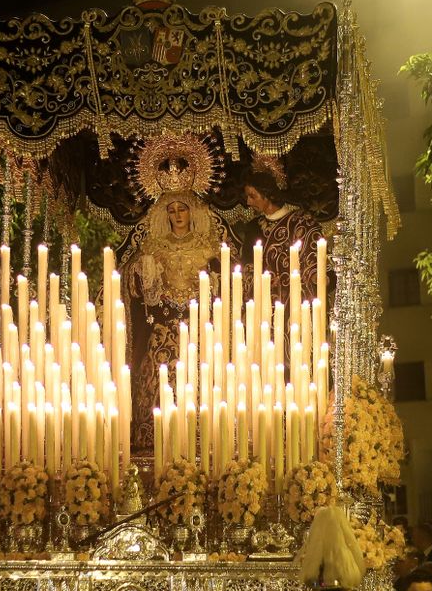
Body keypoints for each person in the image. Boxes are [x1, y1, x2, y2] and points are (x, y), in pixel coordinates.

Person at [122, 152, 232, 450]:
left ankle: (202, 439)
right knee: (158, 377)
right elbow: (141, 290)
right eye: (171, 211)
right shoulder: (154, 247)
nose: (177, 215)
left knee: (201, 377)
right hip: (164, 329)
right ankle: (155, 439)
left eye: (182, 209)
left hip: (198, 329)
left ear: (191, 212)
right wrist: (143, 270)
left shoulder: (208, 246)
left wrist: (212, 282)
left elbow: (224, 284)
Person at [243, 163, 322, 305]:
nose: (248, 202)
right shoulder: (253, 228)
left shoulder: (301, 223)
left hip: (298, 301)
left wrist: (315, 276)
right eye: (247, 196)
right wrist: (262, 280)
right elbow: (248, 264)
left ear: (267, 195)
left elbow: (314, 260)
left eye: (252, 196)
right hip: (265, 300)